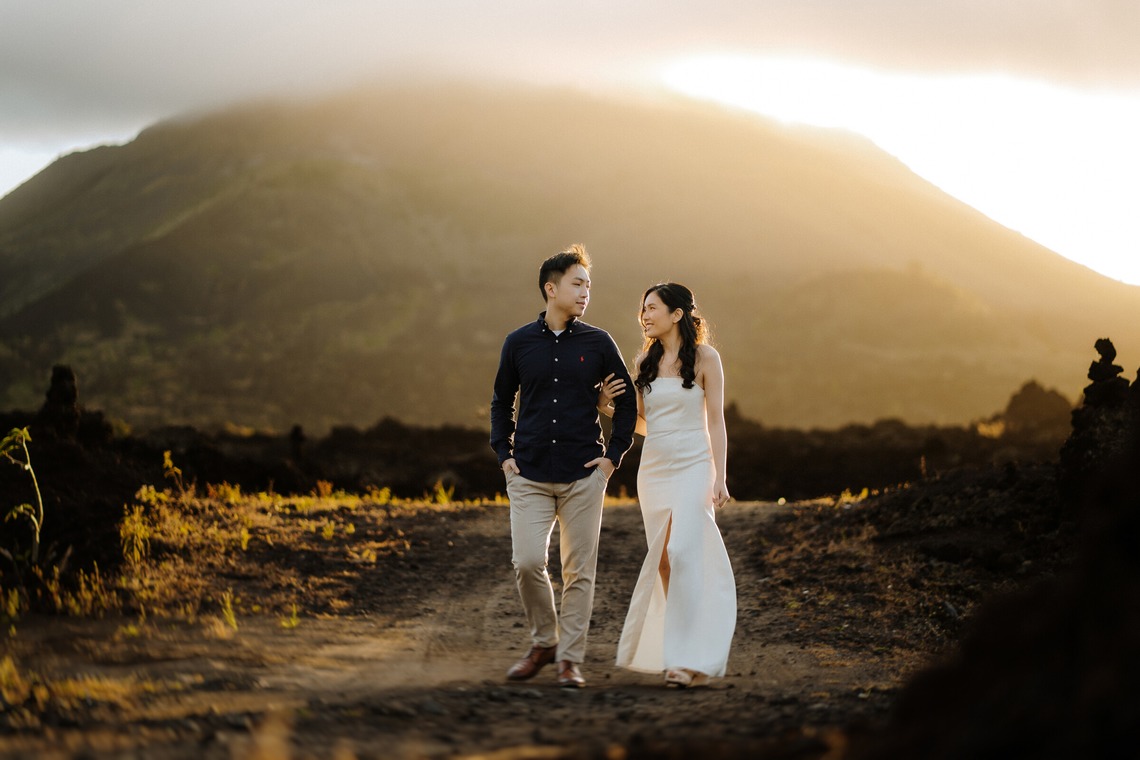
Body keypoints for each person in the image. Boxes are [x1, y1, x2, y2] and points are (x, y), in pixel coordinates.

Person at [490, 244, 638, 688]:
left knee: (579, 572)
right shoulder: (518, 343)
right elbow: (501, 401)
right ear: (550, 289)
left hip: (583, 475)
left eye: (589, 285)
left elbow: (627, 401)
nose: (585, 292)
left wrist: (613, 458)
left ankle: (569, 659)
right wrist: (504, 454)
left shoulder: (599, 342)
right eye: (577, 283)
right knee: (528, 562)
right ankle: (544, 641)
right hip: (529, 474)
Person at [600, 282, 736, 688]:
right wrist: (606, 407)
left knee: (684, 552)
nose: (644, 315)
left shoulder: (707, 359)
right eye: (642, 308)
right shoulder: (644, 360)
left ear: (677, 314)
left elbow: (716, 421)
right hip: (655, 471)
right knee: (663, 560)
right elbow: (645, 422)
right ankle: (680, 651)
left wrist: (721, 475)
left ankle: (688, 657)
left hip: (696, 465)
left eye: (653, 308)